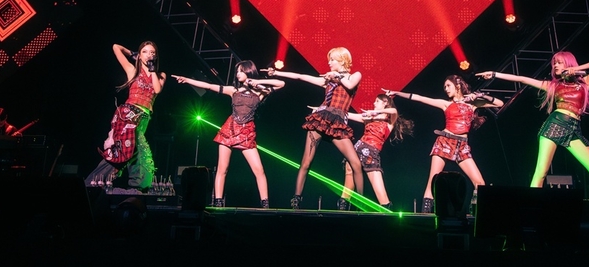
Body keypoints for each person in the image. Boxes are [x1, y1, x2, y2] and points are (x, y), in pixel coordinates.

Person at [475, 51, 589, 200]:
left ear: (568, 63)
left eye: (559, 62)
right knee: (541, 173)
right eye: (554, 63)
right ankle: (531, 207)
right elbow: (522, 79)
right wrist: (494, 74)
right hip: (555, 125)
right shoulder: (553, 85)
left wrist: (577, 69)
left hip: (574, 130)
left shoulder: (584, 82)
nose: (555, 66)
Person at [384, 75, 504, 214]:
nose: (446, 89)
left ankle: (477, 216)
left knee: (480, 183)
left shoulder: (473, 104)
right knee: (433, 181)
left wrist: (481, 95)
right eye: (444, 87)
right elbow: (420, 98)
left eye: (448, 86)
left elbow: (499, 103)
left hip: (462, 146)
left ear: (457, 86)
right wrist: (397, 93)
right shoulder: (446, 104)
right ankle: (425, 216)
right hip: (445, 142)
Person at [173, 60, 285, 208]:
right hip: (229, 130)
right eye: (237, 71)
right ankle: (218, 201)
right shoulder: (233, 90)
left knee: (259, 170)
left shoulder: (260, 92)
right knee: (222, 169)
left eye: (241, 71)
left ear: (249, 71)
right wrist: (187, 80)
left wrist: (257, 82)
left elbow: (281, 84)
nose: (238, 74)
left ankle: (265, 204)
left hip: (246, 132)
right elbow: (209, 86)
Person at [267, 47, 364, 209]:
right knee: (306, 162)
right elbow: (301, 76)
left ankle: (361, 203)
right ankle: (296, 200)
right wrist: (277, 73)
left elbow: (349, 84)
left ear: (342, 60)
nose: (329, 62)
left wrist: (336, 76)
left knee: (356, 164)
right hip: (321, 119)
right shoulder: (328, 79)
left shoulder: (355, 75)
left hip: (338, 123)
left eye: (332, 59)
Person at [86, 41, 166, 193]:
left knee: (129, 152)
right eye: (145, 51)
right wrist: (132, 53)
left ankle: (95, 182)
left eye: (152, 52)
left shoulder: (160, 75)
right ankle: (135, 186)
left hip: (144, 118)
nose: (149, 54)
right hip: (128, 116)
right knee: (134, 151)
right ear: (140, 55)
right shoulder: (132, 70)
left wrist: (152, 70)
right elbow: (116, 47)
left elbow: (156, 90)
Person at [335, 92, 414, 211]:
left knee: (382, 197)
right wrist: (326, 111)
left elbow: (394, 111)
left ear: (385, 103)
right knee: (346, 191)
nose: (374, 103)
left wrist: (374, 112)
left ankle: (387, 217)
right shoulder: (369, 118)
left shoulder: (389, 121)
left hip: (371, 155)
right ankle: (343, 213)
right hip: (355, 150)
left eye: (377, 101)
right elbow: (347, 115)